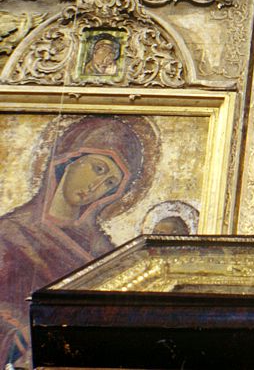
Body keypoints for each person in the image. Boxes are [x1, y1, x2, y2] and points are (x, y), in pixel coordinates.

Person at [0, 114, 157, 366]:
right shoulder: (8, 232)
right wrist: (17, 329)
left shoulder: (104, 255)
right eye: (98, 168)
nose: (97, 186)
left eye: (110, 183)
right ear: (70, 159)